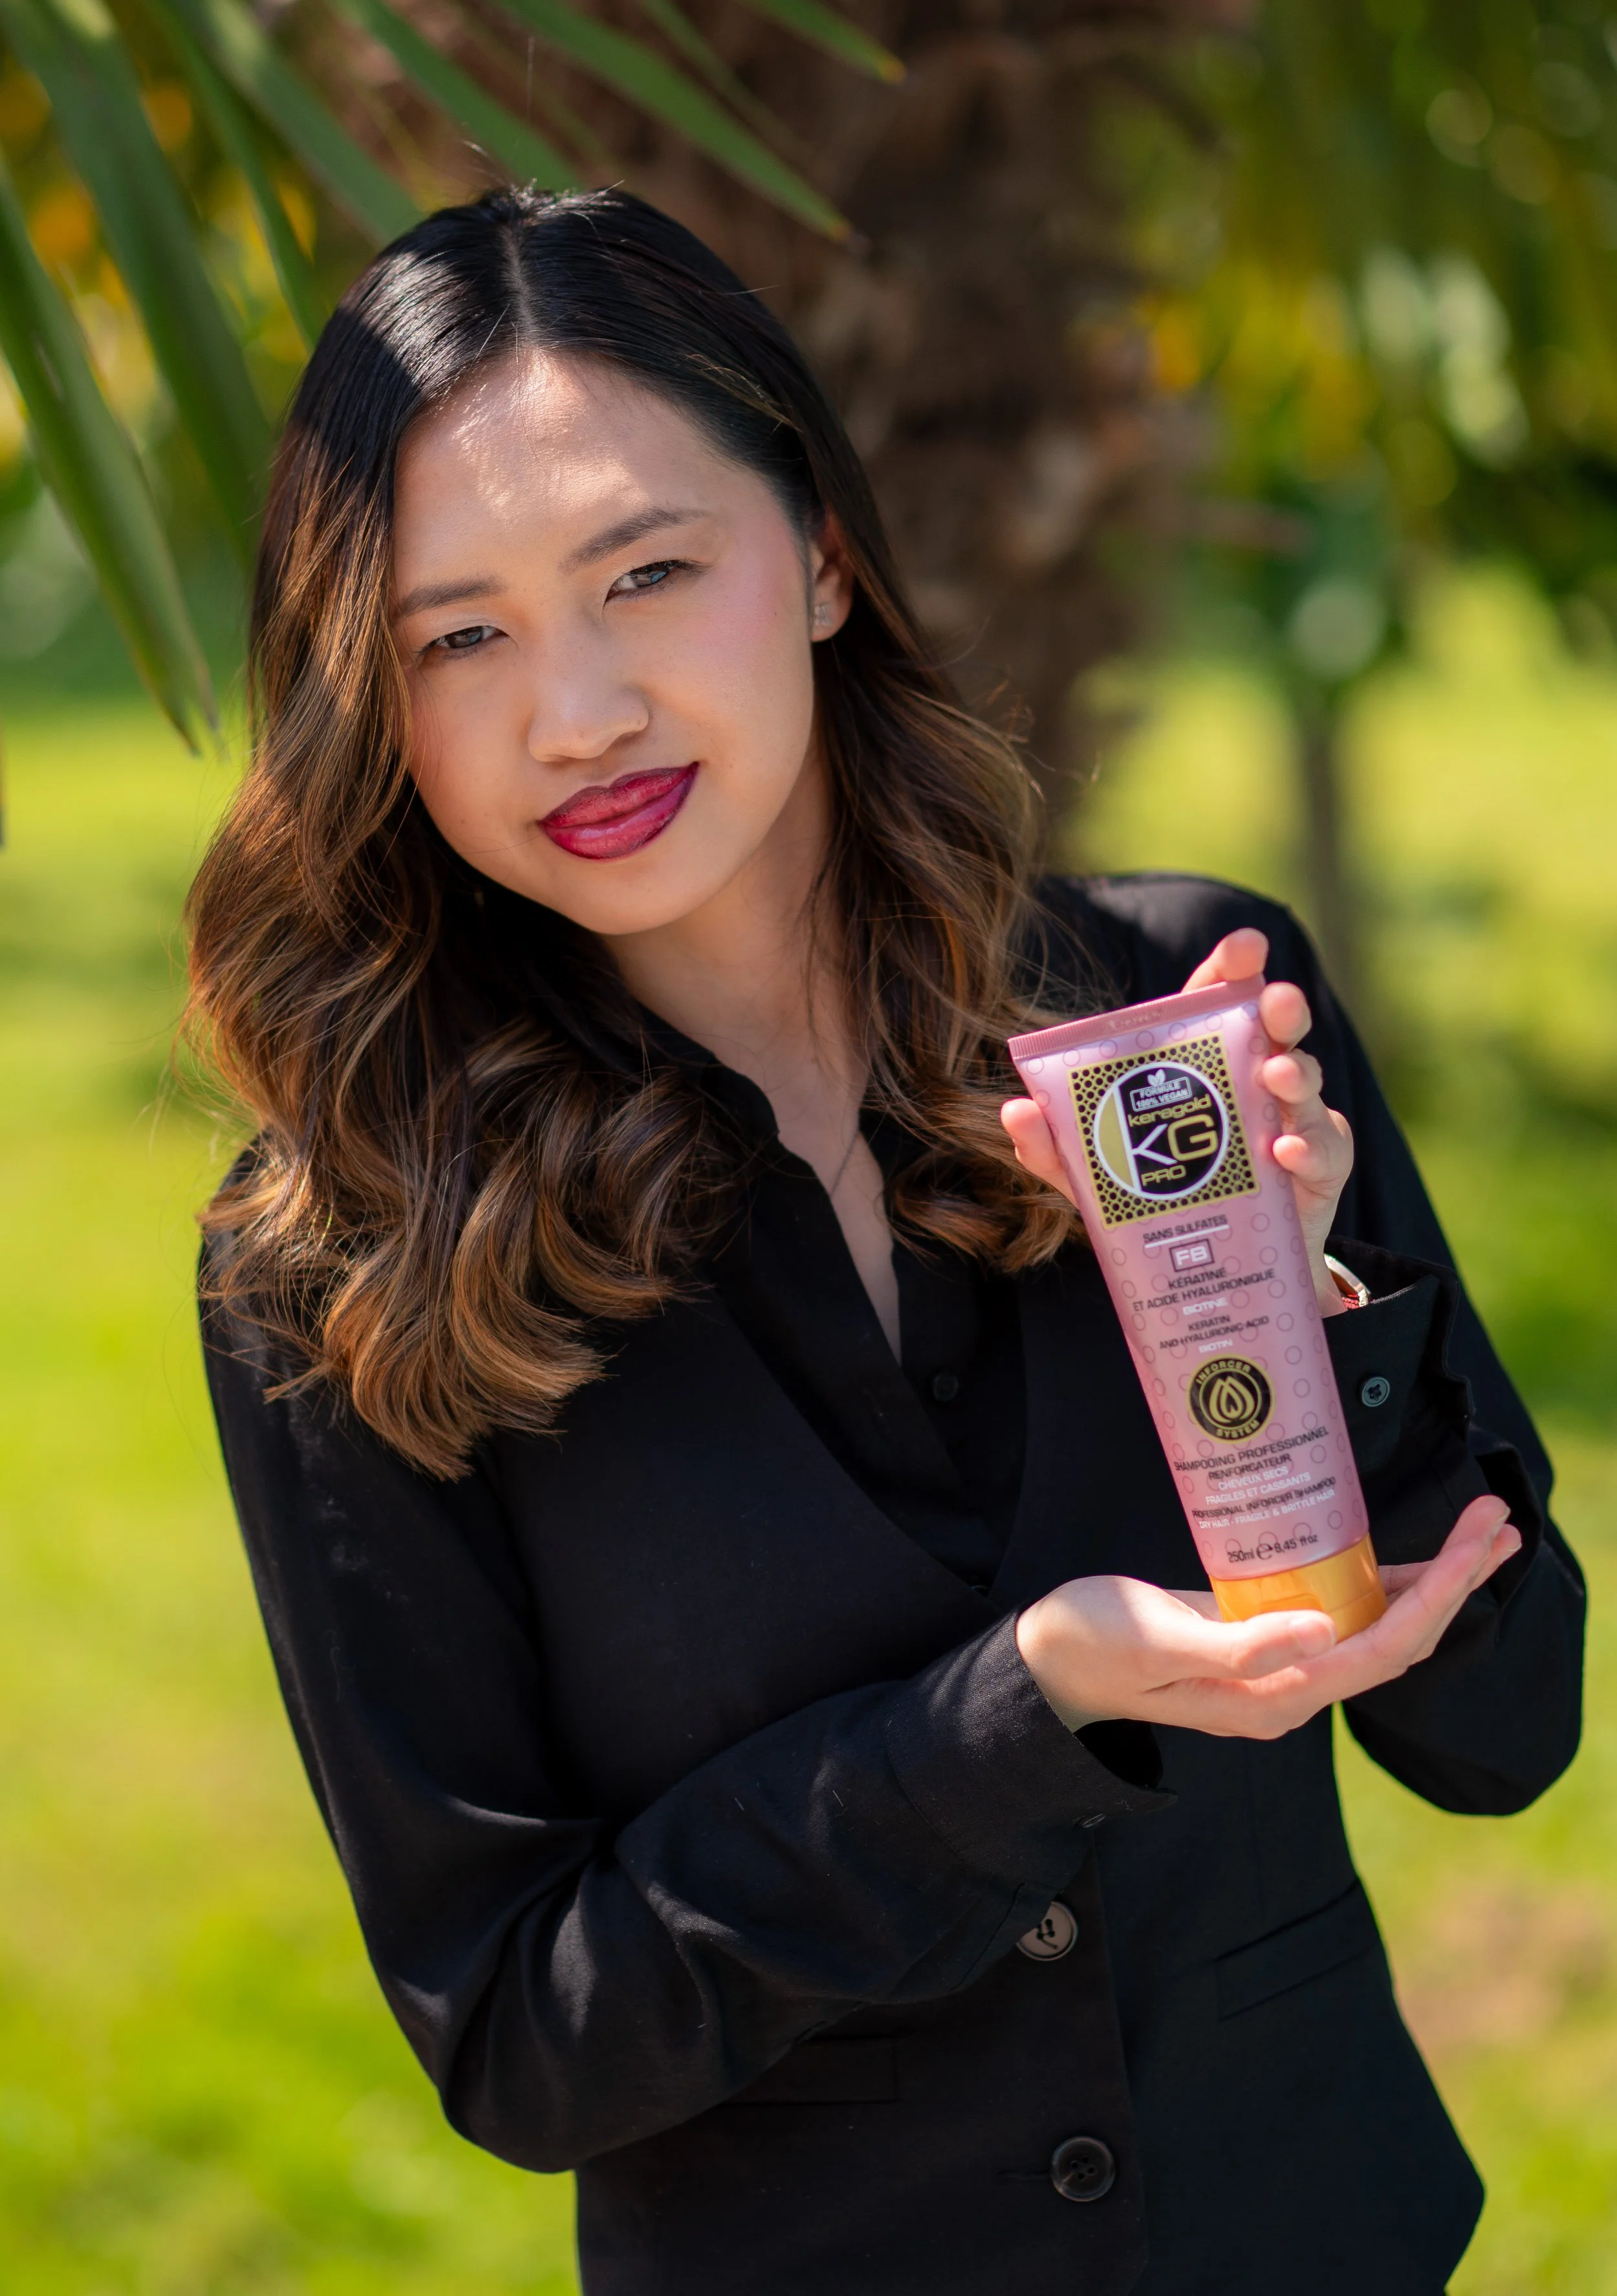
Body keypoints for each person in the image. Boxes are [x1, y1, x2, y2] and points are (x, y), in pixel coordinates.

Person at [188, 186, 1584, 2296]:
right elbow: (519, 2031)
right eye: (452, 634)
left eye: (646, 571)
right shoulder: (349, 1249)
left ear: (824, 554)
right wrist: (1005, 1722)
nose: (571, 710)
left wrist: (1321, 1319)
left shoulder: (1175, 1018)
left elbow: (1502, 1725)